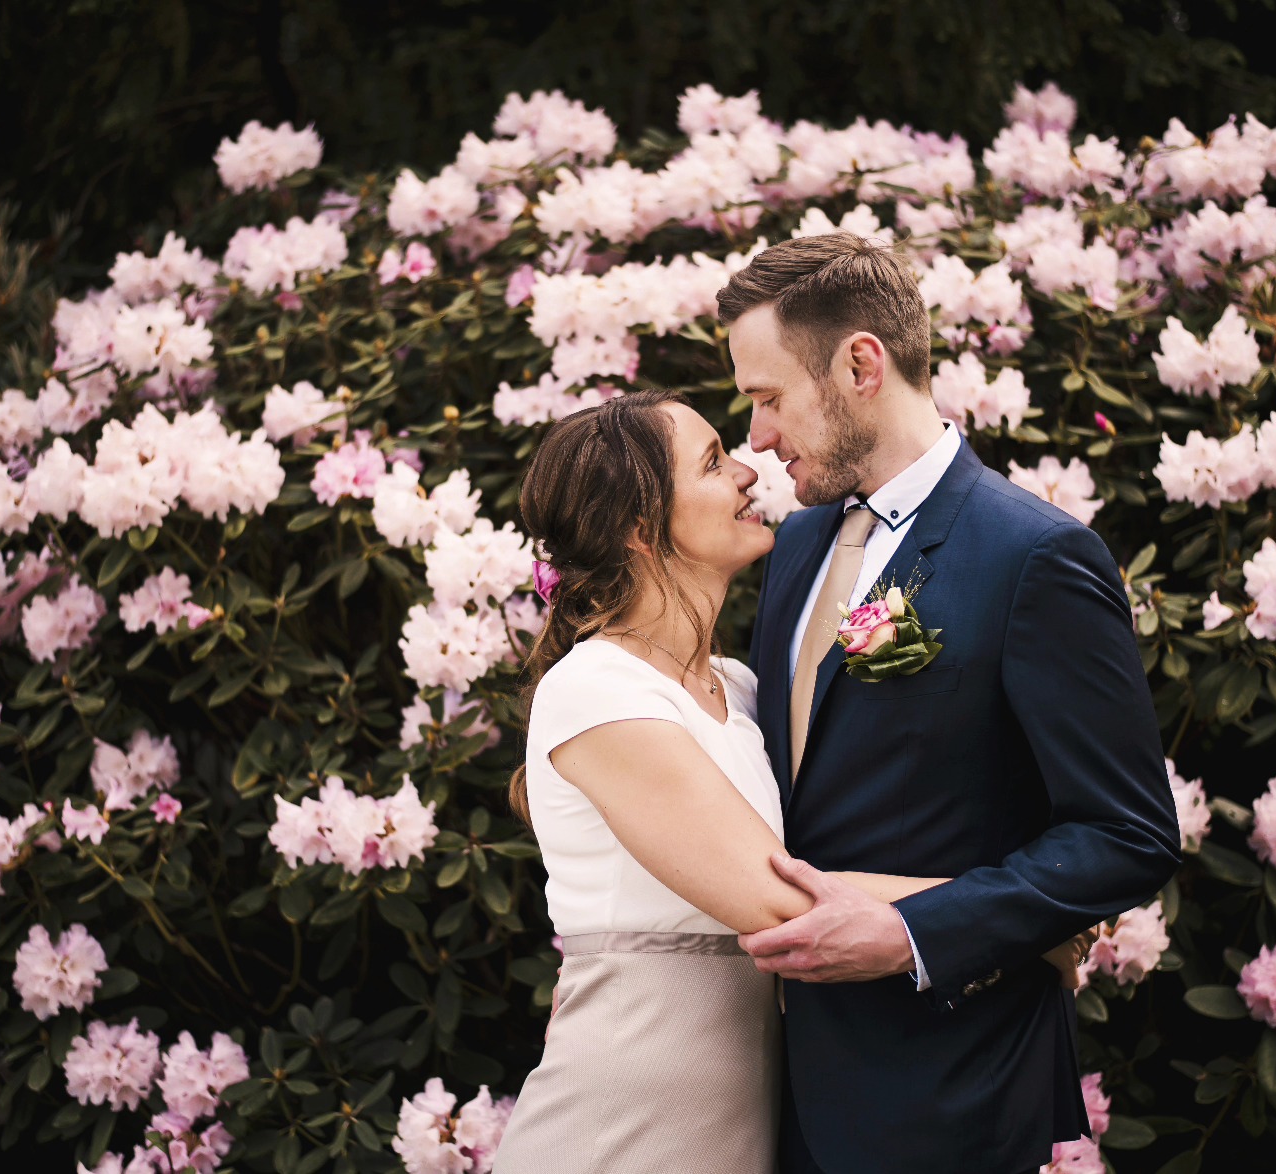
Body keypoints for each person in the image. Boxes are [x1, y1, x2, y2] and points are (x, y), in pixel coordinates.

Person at [491, 391, 1092, 1174]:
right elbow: (780, 902)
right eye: (711, 463)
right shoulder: (597, 689)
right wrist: (1027, 918)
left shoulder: (738, 689)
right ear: (641, 529)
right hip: (625, 1117)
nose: (747, 472)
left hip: (741, 1117)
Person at [716, 232, 1183, 1174]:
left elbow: (1127, 834)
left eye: (769, 399)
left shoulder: (1035, 559)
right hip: (774, 1086)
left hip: (947, 1088)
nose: (756, 439)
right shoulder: (797, 547)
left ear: (860, 364)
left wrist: (910, 932)